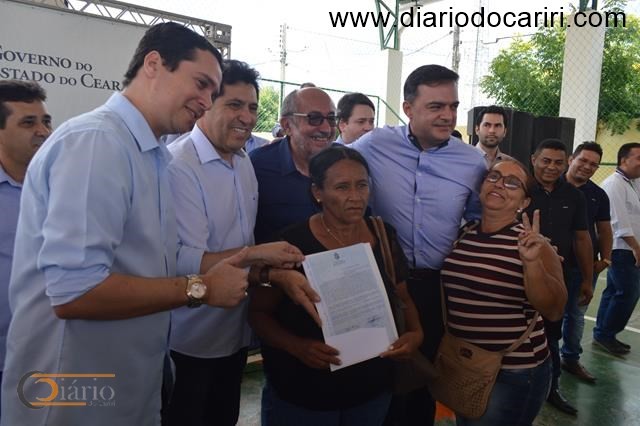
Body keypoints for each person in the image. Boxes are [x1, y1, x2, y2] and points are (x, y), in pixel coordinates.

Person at [1, 23, 251, 426]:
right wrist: (201, 288)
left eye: (212, 92)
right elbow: (75, 291)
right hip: (74, 393)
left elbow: (150, 264)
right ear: (153, 64)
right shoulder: (97, 142)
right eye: (201, 84)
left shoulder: (150, 154)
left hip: (122, 384)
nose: (207, 102)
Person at [165, 59, 310, 426]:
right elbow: (185, 260)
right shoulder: (179, 167)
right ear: (205, 105)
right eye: (234, 104)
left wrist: (270, 272)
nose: (247, 117)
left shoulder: (243, 162)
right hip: (189, 340)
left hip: (235, 333)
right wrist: (259, 256)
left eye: (252, 107)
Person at [249, 145, 423, 426]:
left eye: (362, 185)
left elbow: (403, 296)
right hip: (306, 390)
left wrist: (416, 333)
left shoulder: (382, 234)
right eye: (342, 187)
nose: (355, 197)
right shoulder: (291, 244)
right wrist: (297, 347)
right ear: (317, 192)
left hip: (371, 387)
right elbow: (258, 313)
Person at [351, 64, 486, 426]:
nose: (448, 116)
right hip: (382, 282)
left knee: (423, 377)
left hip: (436, 288)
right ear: (408, 109)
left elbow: (478, 219)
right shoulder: (375, 144)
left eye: (453, 106)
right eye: (436, 106)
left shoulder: (472, 161)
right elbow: (333, 164)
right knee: (377, 371)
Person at [441, 159, 566, 425]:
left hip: (512, 371)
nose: (499, 184)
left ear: (524, 202)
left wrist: (532, 263)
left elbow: (554, 310)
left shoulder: (534, 244)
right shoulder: (465, 233)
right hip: (466, 363)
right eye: (494, 177)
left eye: (512, 183)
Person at [526, 138, 593, 416]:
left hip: (557, 279)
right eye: (546, 161)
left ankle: (551, 389)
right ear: (534, 160)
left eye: (558, 162)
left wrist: (588, 278)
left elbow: (582, 238)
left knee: (551, 337)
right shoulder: (521, 189)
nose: (551, 167)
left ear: (566, 163)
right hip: (521, 276)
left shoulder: (575, 196)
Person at [0, 80, 51, 416]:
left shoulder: (62, 187)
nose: (43, 131)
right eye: (28, 123)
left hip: (48, 354)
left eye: (45, 121)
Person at [251, 87, 336, 243]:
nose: (326, 128)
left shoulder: (345, 163)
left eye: (331, 118)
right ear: (287, 126)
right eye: (314, 118)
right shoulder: (257, 166)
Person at [561, 142, 612, 381]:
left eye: (593, 164)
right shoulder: (551, 186)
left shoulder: (598, 195)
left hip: (583, 267)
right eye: (583, 160)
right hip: (549, 265)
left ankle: (571, 358)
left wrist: (605, 259)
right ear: (571, 159)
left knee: (576, 315)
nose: (587, 167)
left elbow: (605, 229)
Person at [594, 142, 640, 355]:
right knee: (628, 292)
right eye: (639, 158)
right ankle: (606, 334)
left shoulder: (632, 183)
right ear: (623, 160)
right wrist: (636, 248)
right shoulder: (614, 185)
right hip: (622, 249)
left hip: (630, 249)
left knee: (614, 291)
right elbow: (619, 222)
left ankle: (604, 333)